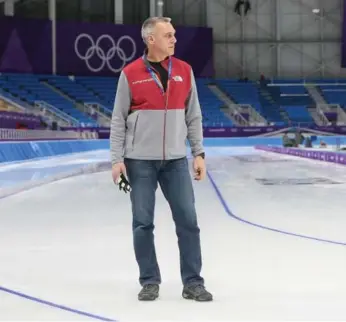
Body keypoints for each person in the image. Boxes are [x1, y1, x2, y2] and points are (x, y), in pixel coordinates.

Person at [110, 16, 213, 302]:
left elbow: (193, 115)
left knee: (188, 221)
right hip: (139, 161)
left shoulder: (184, 70)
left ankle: (193, 282)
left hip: (176, 161)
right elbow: (118, 118)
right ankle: (149, 281)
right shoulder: (130, 73)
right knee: (142, 222)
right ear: (150, 39)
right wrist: (116, 159)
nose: (174, 39)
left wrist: (199, 153)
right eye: (167, 35)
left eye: (174, 34)